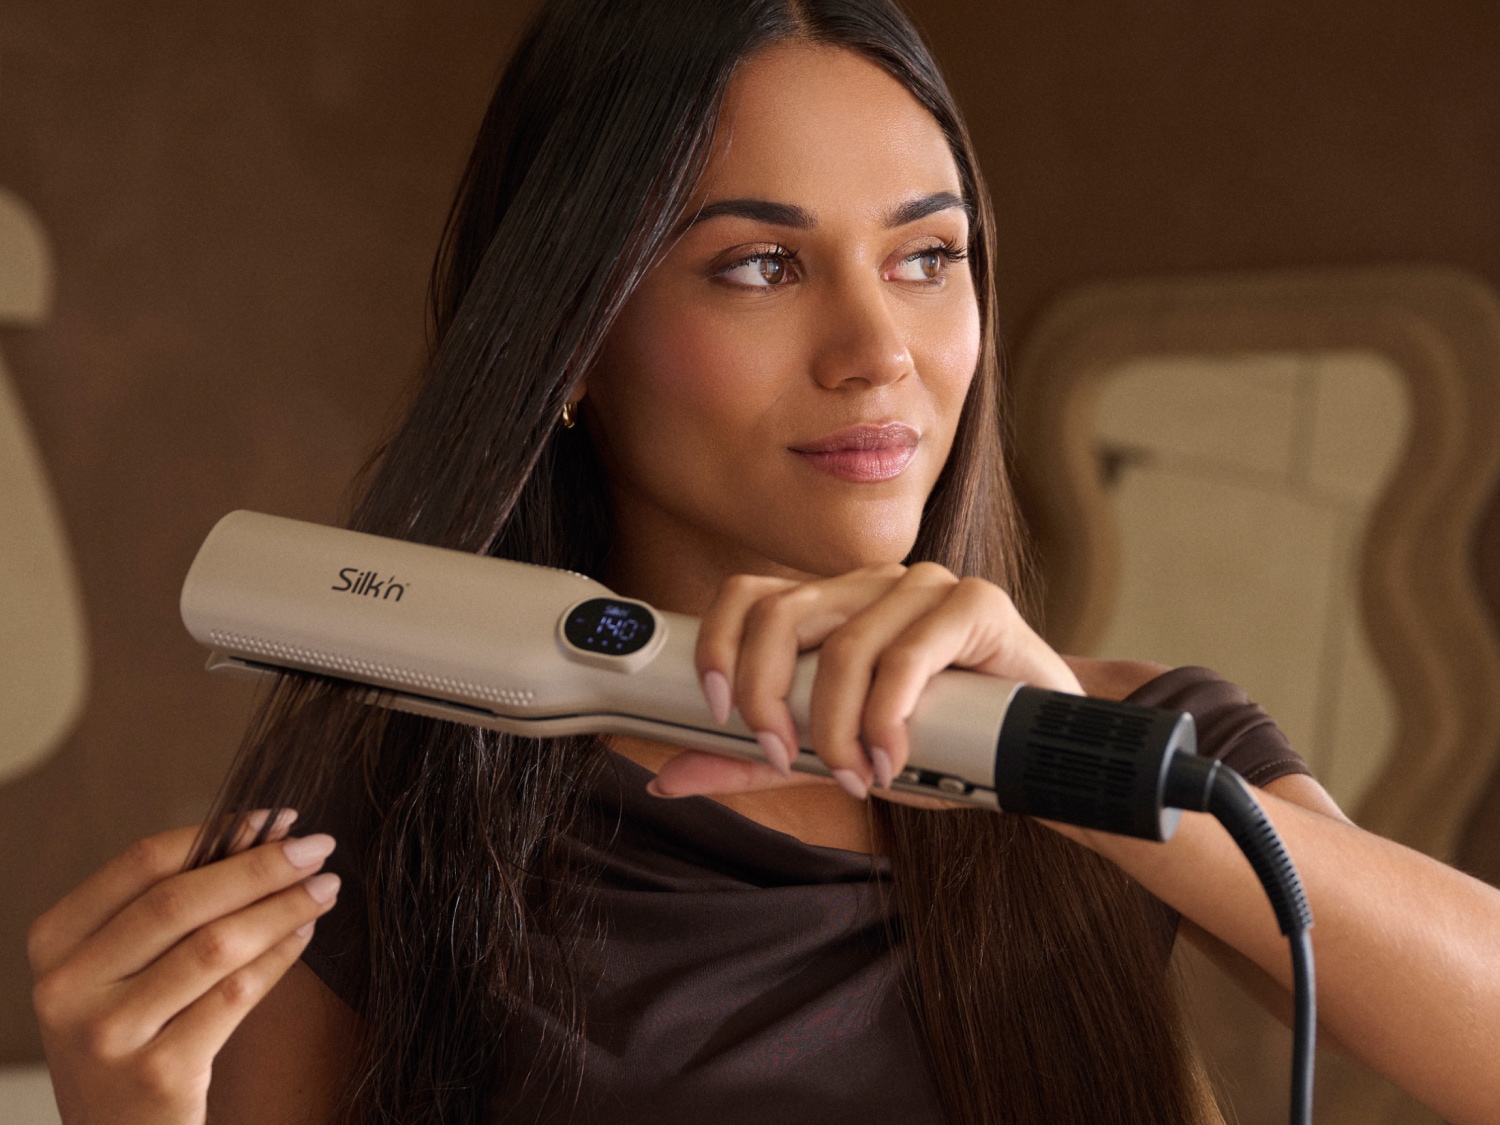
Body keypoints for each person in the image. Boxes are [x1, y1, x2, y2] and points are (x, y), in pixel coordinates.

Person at [27, 1, 1500, 1122]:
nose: (880, 354)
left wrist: (1071, 757)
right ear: (572, 343)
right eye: (760, 265)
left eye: (928, 256)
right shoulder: (395, 833)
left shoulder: (1148, 742)